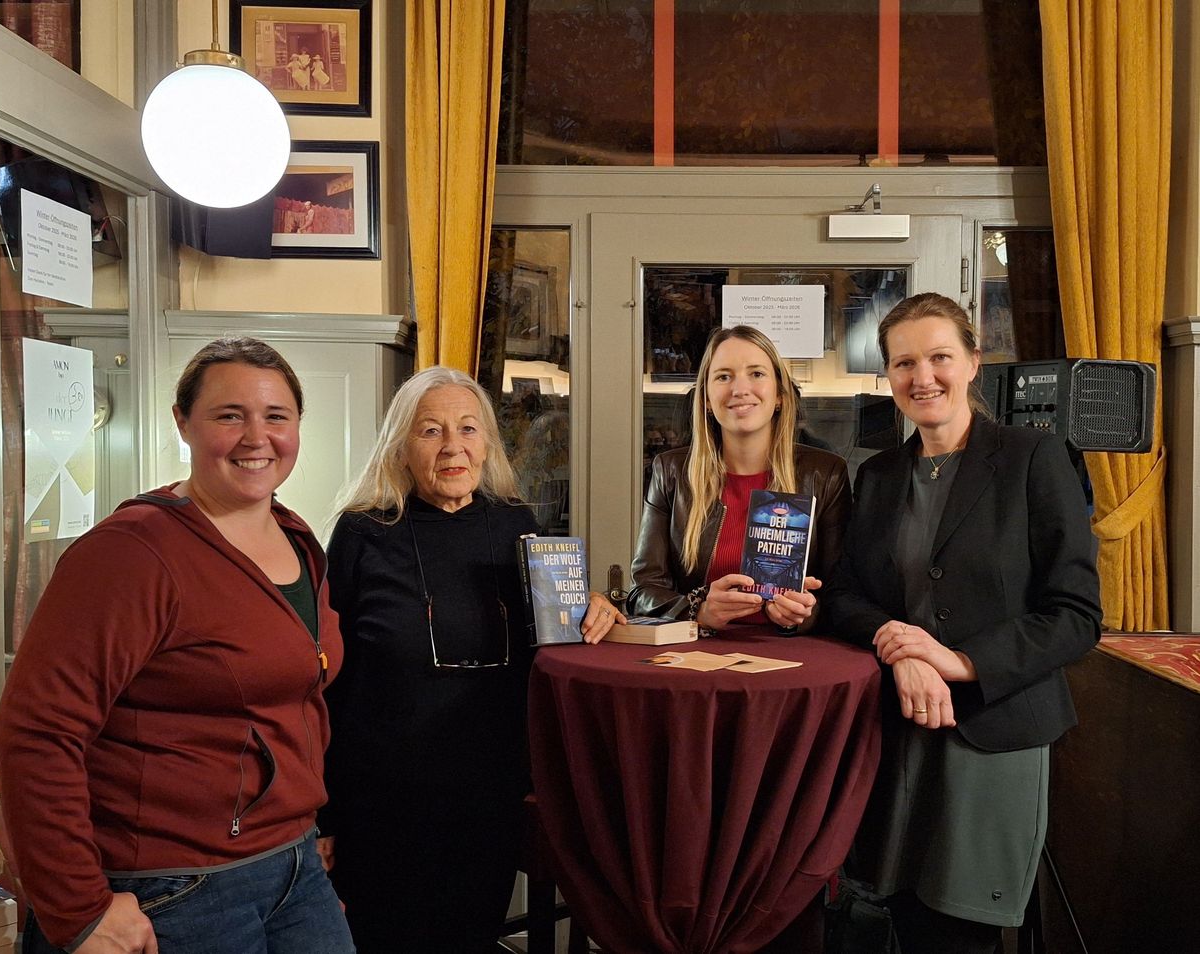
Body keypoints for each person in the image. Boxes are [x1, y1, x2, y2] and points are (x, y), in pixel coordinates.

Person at [0, 337, 355, 954]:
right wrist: (79, 909)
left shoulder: (297, 539)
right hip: (174, 888)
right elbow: (37, 732)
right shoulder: (133, 552)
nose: (255, 437)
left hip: (291, 870)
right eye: (228, 415)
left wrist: (308, 827)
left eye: (276, 416)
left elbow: (296, 703)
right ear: (182, 424)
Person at [826, 293, 1102, 954]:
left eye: (939, 357)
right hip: (897, 731)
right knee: (891, 918)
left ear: (974, 362)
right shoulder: (879, 475)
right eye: (904, 363)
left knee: (961, 932)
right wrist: (901, 648)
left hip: (994, 730)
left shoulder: (1038, 459)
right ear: (888, 377)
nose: (923, 377)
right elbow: (845, 596)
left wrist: (959, 660)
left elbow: (1076, 616)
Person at [317, 366, 623, 953]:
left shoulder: (517, 525)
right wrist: (323, 816)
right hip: (384, 802)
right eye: (430, 431)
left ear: (488, 443)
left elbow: (553, 644)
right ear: (401, 447)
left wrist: (593, 609)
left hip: (487, 793)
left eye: (468, 428)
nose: (452, 446)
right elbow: (328, 684)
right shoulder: (362, 533)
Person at [627, 323, 852, 635]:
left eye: (756, 374)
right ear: (706, 398)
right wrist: (699, 611)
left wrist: (803, 614)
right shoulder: (671, 472)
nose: (739, 389)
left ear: (780, 396)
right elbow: (641, 593)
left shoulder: (826, 473)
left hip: (790, 661)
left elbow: (843, 595)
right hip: (693, 657)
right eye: (723, 376)